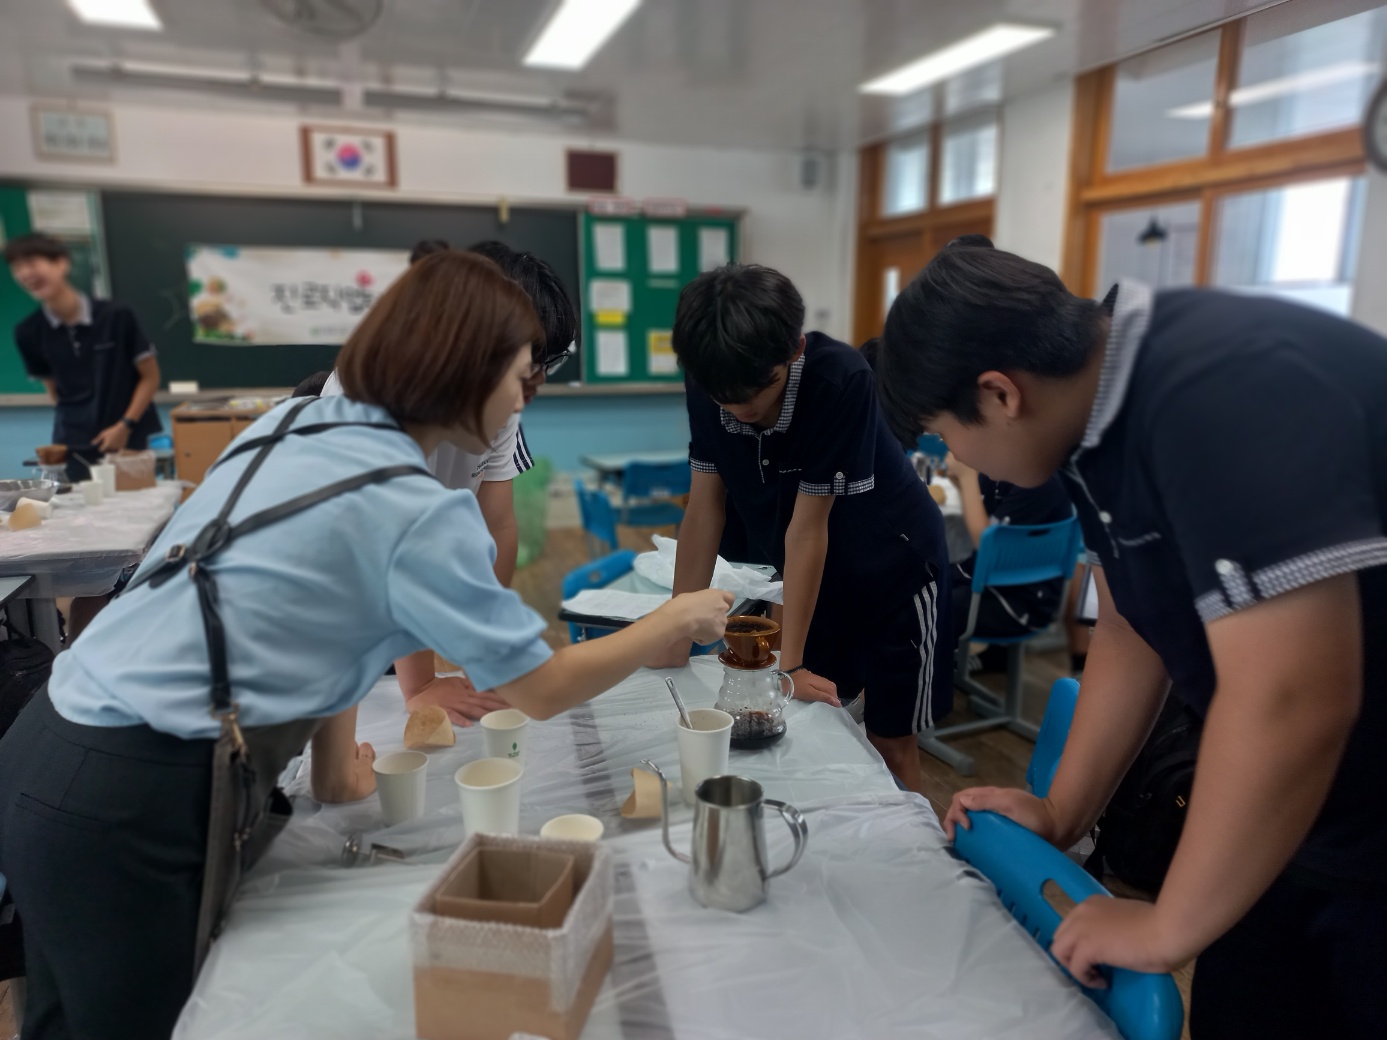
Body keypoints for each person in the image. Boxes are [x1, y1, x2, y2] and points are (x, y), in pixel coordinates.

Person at [0, 250, 731, 1040]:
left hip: (45, 749)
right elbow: (543, 688)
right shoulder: (414, 508)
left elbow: (318, 618)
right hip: (128, 797)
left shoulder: (296, 421)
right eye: (522, 376)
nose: (526, 398)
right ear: (463, 368)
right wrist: (673, 617)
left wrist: (335, 775)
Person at [876, 243, 1387, 1038]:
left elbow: (1296, 695)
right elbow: (1127, 624)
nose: (955, 460)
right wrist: (1061, 810)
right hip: (1298, 803)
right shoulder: (1089, 417)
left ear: (999, 394)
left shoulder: (1216, 386)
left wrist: (1167, 921)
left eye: (945, 437)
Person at [651, 263, 952, 794]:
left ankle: (915, 856)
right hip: (810, 574)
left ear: (793, 350)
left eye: (758, 390)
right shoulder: (710, 375)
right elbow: (703, 511)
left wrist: (787, 665)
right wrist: (675, 635)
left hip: (893, 569)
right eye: (725, 396)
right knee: (806, 725)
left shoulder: (841, 380)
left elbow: (808, 529)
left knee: (888, 740)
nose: (742, 409)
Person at [322, 239, 577, 724]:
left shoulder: (502, 398)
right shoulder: (366, 408)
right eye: (527, 366)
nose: (533, 386)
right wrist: (419, 684)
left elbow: (497, 526)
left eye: (545, 367)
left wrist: (482, 646)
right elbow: (382, 561)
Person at [6, 233, 162, 481]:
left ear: (61, 263)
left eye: (32, 263)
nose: (25, 274)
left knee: (135, 509)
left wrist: (125, 424)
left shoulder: (117, 316)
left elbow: (150, 377)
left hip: (127, 435)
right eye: (17, 267)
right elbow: (54, 390)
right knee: (77, 514)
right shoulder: (28, 332)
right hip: (73, 443)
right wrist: (75, 425)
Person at [943, 451, 1072, 644]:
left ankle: (937, 670)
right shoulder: (1002, 466)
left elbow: (986, 543)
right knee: (922, 582)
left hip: (1022, 602)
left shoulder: (1038, 478)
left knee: (935, 605)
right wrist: (961, 482)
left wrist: (967, 477)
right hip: (991, 581)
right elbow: (982, 515)